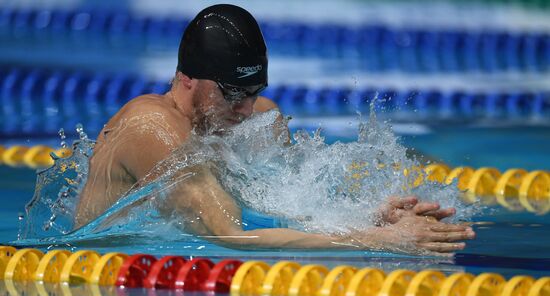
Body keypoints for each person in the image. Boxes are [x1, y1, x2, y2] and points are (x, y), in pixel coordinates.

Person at [75, 4, 475, 254]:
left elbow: (278, 207)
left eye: (254, 92)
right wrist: (377, 242)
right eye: (232, 93)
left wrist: (367, 218)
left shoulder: (254, 117)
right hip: (111, 280)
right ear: (187, 80)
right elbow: (227, 234)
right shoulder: (152, 126)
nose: (247, 109)